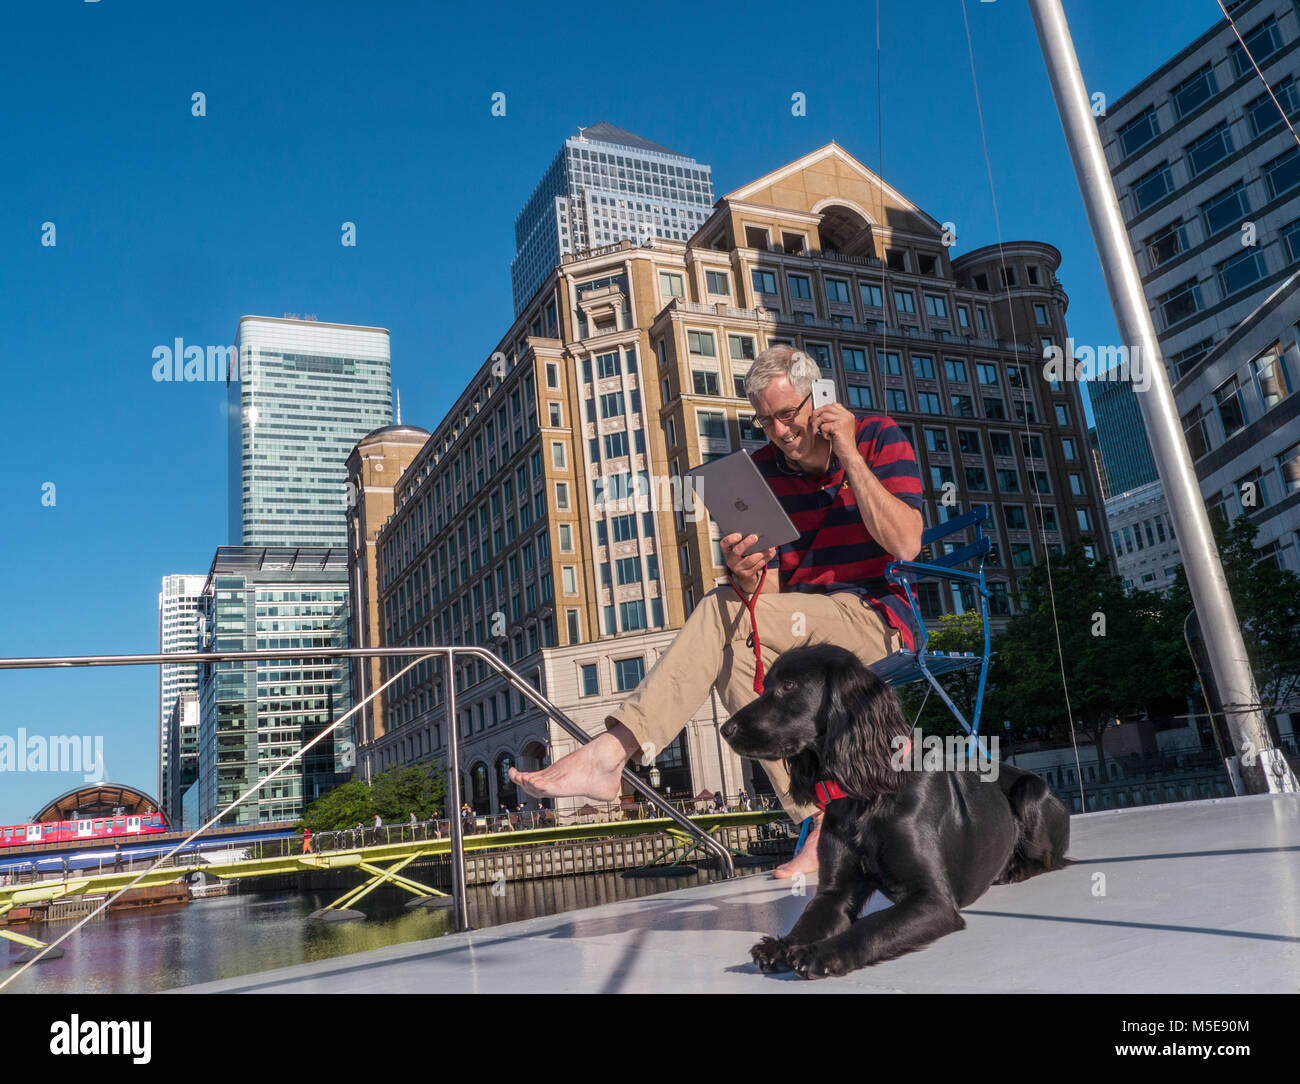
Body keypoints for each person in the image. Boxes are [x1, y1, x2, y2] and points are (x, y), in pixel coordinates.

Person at [511, 345, 923, 878]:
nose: (778, 431)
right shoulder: (757, 472)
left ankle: (611, 753)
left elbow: (906, 543)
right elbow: (766, 600)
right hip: (799, 628)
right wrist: (746, 571)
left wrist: (849, 454)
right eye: (764, 419)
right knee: (736, 645)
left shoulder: (874, 435)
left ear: (819, 399)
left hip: (875, 619)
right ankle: (824, 819)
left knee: (720, 611)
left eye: (787, 414)